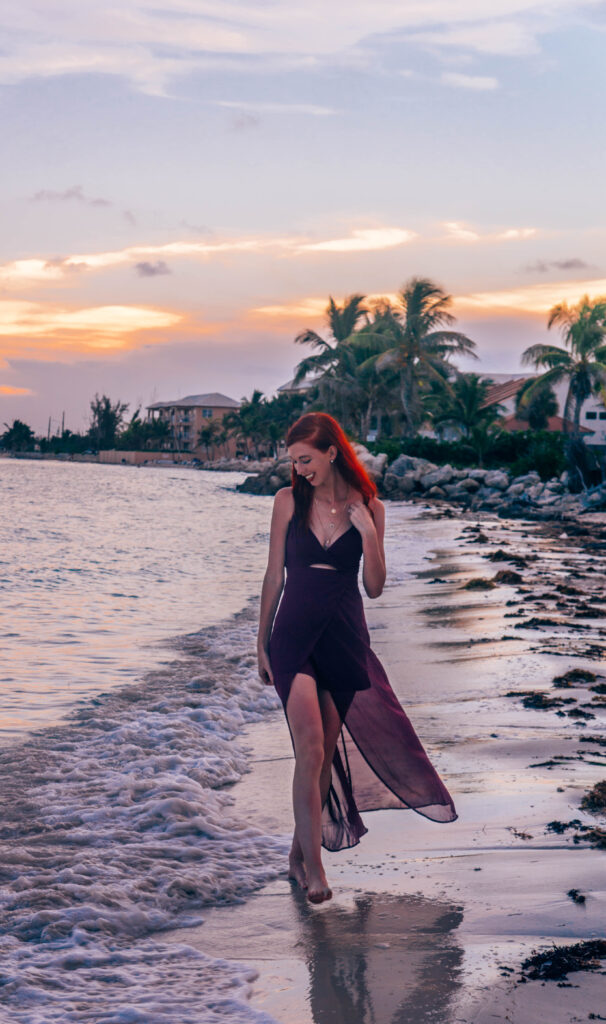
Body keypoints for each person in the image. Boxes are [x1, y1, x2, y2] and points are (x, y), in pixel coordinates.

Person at [257, 413, 457, 904]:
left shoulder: (371, 507)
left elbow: (374, 588)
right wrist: (260, 642)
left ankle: (296, 854)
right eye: (294, 461)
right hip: (294, 635)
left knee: (322, 756)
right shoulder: (287, 502)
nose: (299, 469)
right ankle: (316, 870)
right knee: (309, 747)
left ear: (331, 452)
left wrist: (367, 533)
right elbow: (273, 577)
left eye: (306, 459)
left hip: (344, 635)